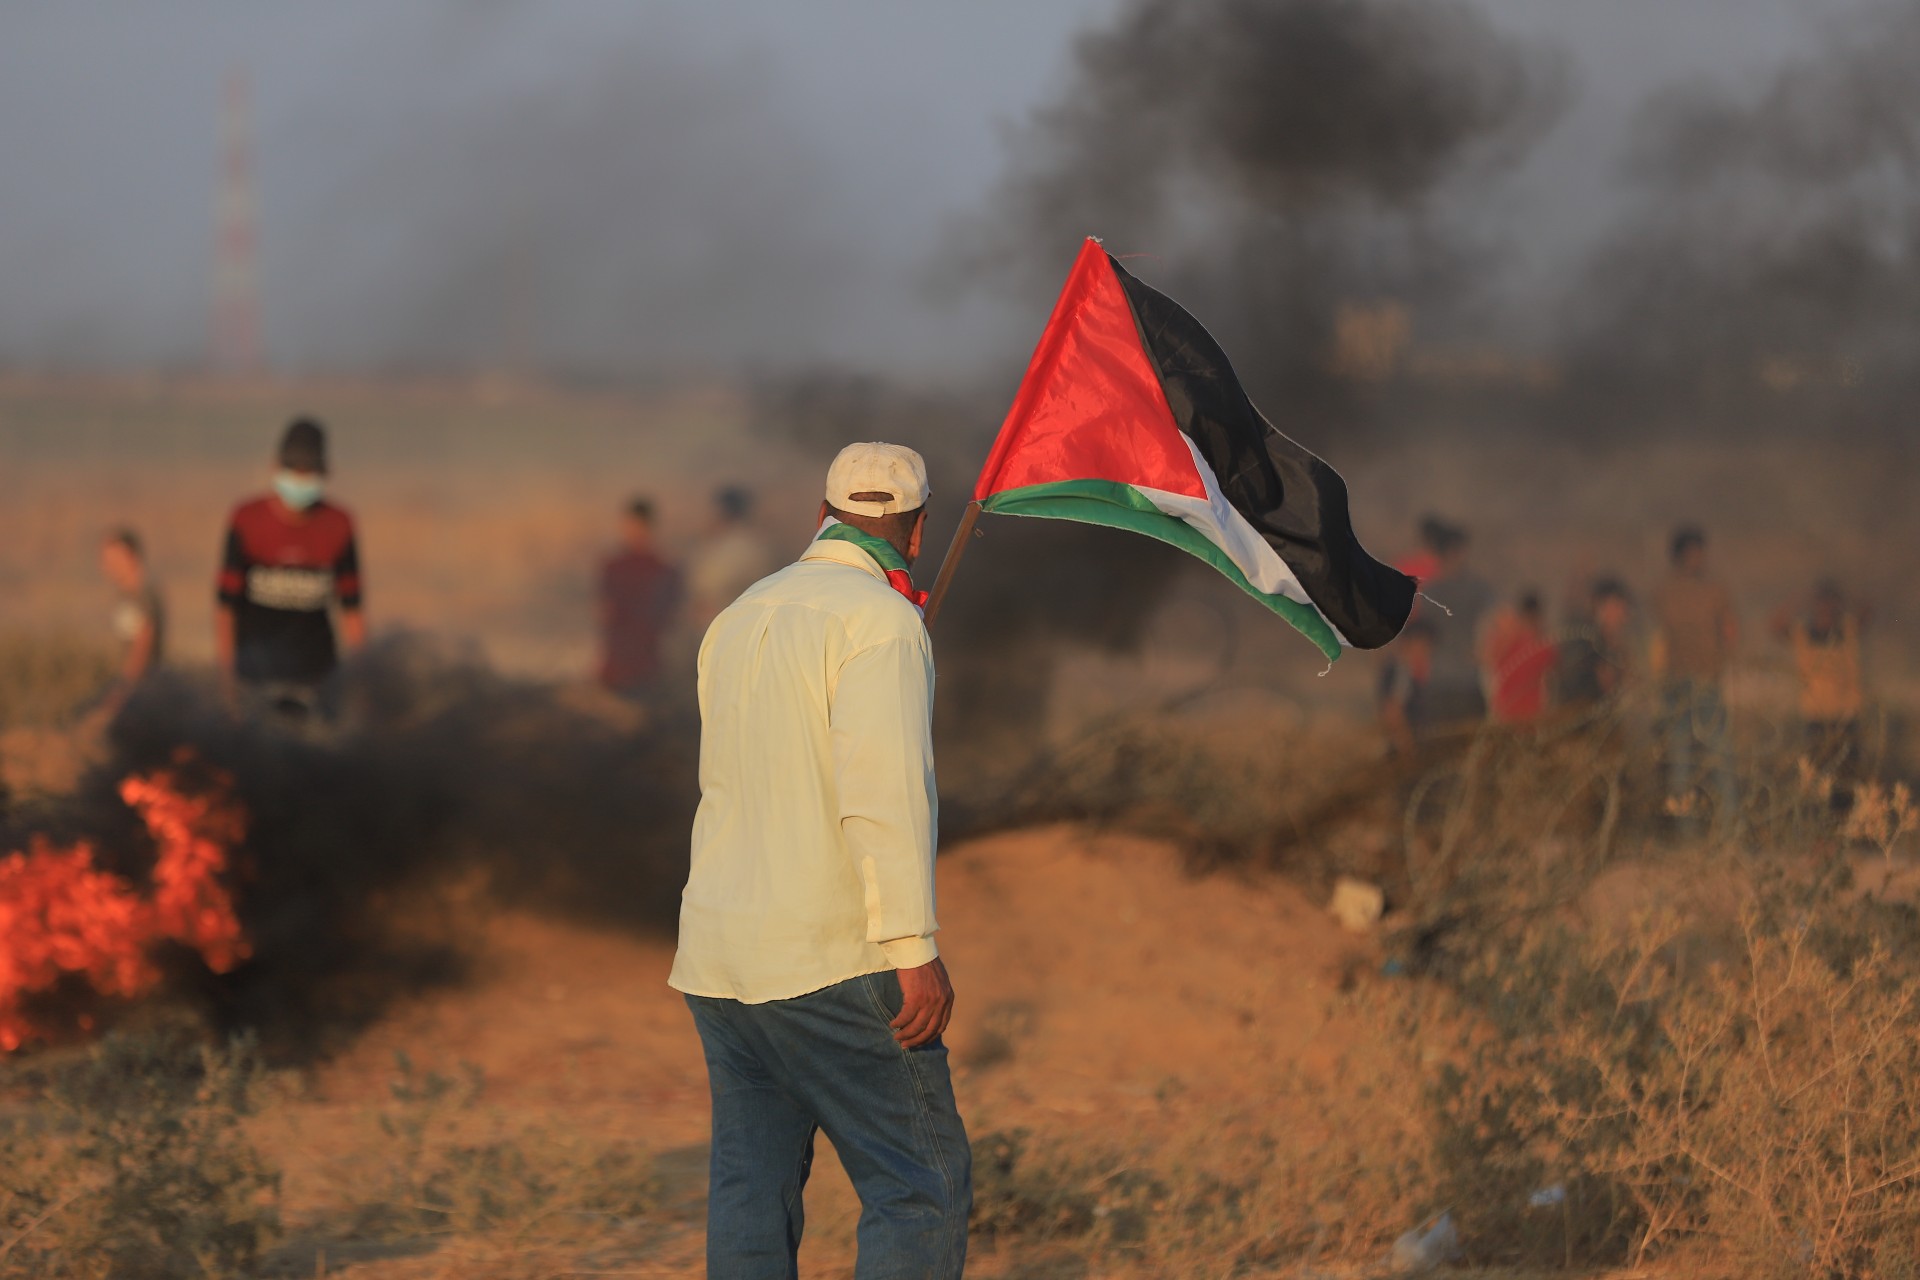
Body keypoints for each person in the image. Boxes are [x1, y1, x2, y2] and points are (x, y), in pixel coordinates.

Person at [669, 442, 970, 1279]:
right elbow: (883, 799)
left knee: (750, 1191)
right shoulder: (882, 624)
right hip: (828, 960)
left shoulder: (741, 614)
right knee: (919, 1185)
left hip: (722, 960)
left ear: (822, 519)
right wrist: (913, 950)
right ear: (915, 534)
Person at [215, 417, 364, 721]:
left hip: (317, 679)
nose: (301, 481)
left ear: (325, 473)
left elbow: (353, 612)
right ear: (275, 467)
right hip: (255, 677)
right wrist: (227, 680)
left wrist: (360, 684)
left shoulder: (339, 525)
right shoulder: (247, 520)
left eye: (309, 473)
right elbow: (225, 608)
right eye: (294, 471)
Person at [1651, 524, 1739, 829]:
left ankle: (1728, 830)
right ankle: (1685, 833)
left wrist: (1721, 662)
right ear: (1679, 556)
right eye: (1692, 553)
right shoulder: (1665, 592)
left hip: (1707, 684)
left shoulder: (1714, 591)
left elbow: (1729, 632)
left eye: (1700, 553)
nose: (1698, 559)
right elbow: (1659, 639)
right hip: (1677, 685)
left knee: (1719, 758)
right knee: (1680, 762)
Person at [1770, 578, 1869, 788]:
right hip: (1815, 717)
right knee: (1818, 778)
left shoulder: (1848, 630)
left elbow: (1867, 612)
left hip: (1846, 717)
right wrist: (1797, 599)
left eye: (1830, 605)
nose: (1825, 611)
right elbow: (1775, 625)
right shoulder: (1803, 634)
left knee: (1849, 776)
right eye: (1821, 604)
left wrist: (1845, 596)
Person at [597, 498, 683, 703]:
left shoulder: (618, 567)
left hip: (639, 664)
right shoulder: (664, 568)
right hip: (635, 664)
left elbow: (604, 614)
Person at [1419, 521, 1495, 727]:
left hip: (1439, 682)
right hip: (1466, 682)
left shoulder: (1429, 592)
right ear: (1454, 551)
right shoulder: (1477, 588)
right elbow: (1496, 621)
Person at [684, 484, 779, 632]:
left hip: (731, 623)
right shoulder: (717, 541)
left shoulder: (743, 545)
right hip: (714, 623)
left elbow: (708, 582)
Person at [99, 527, 165, 714]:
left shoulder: (144, 595)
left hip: (144, 691)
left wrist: (125, 688)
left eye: (112, 559)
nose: (106, 565)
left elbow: (144, 642)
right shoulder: (125, 596)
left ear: (130, 556)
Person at [1481, 590, 1557, 726]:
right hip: (1532, 717)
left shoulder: (1503, 639)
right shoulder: (1542, 646)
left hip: (1504, 716)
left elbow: (1486, 660)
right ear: (1538, 617)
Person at [1557, 577, 1635, 709]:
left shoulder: (1616, 648)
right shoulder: (1587, 644)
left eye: (1622, 608)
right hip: (1583, 718)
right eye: (1615, 607)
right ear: (1599, 608)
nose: (1621, 615)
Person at [1379, 618, 1437, 756]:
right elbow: (1393, 713)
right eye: (1423, 646)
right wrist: (1408, 749)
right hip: (1404, 750)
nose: (1425, 653)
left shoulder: (1412, 673)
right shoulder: (1401, 672)